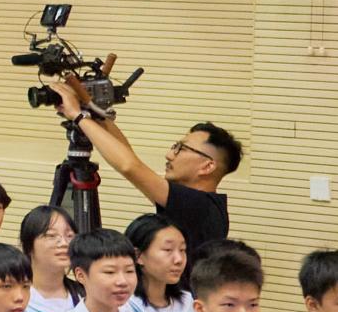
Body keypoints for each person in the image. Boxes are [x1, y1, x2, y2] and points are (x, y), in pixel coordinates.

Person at [62, 72, 238, 261]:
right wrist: (96, 114)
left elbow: (129, 166)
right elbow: (131, 161)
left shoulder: (200, 206)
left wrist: (78, 116)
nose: (169, 155)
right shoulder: (199, 203)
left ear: (207, 166)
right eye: (175, 146)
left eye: (181, 149)